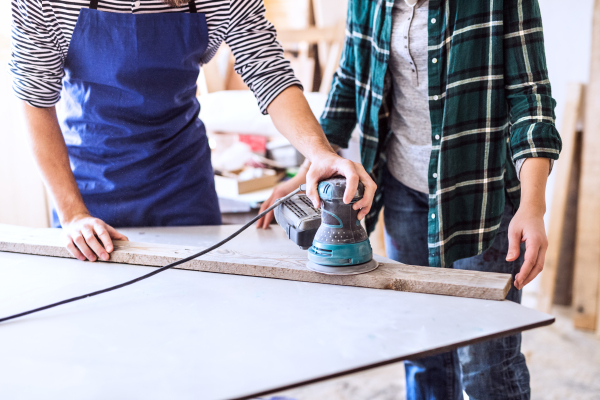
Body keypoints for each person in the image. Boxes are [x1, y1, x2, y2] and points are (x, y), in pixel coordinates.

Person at [258, 0, 561, 398]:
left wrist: (532, 204)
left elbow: (530, 99)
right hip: (403, 193)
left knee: (487, 362)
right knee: (422, 348)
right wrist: (304, 173)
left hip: (479, 200)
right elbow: (350, 81)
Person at [10, 0, 376, 263]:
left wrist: (319, 153)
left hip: (181, 184)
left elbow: (270, 74)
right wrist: (73, 214)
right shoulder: (47, 3)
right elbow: (35, 102)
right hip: (88, 188)